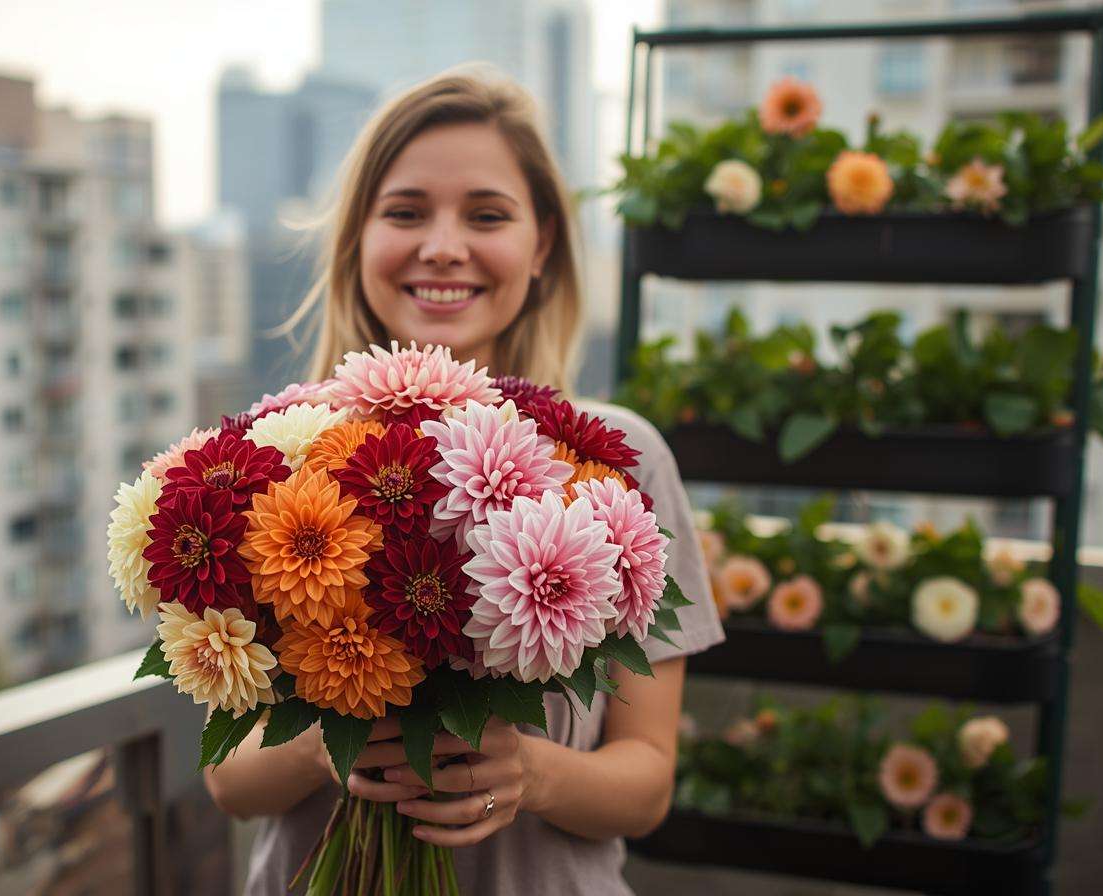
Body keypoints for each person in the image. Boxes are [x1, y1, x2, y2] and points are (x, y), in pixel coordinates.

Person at [202, 66, 724, 895]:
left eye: (487, 215)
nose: (443, 245)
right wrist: (325, 742)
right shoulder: (277, 462)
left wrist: (533, 774)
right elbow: (229, 783)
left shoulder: (626, 463)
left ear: (543, 243)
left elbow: (648, 780)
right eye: (405, 212)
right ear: (358, 240)